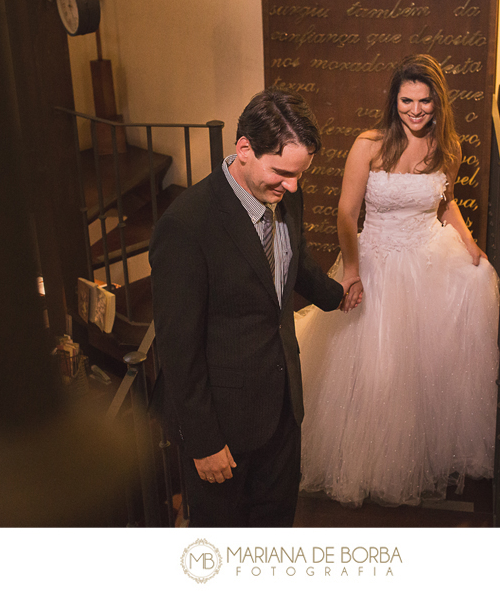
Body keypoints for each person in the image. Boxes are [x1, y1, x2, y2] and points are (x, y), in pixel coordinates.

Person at [149, 88, 361, 527]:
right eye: (282, 172)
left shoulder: (286, 194)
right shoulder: (187, 226)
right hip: (224, 433)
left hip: (283, 415)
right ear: (244, 149)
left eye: (300, 174)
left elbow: (292, 261)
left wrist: (336, 295)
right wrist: (203, 442)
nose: (293, 186)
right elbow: (178, 350)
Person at [295, 54, 500, 507]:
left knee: (432, 365)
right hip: (379, 258)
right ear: (395, 100)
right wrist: (351, 269)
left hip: (429, 257)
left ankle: (432, 450)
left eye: (425, 101)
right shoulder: (368, 145)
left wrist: (468, 244)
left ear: (437, 102)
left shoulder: (449, 148)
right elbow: (346, 214)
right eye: (407, 100)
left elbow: (445, 203)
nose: (416, 110)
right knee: (381, 369)